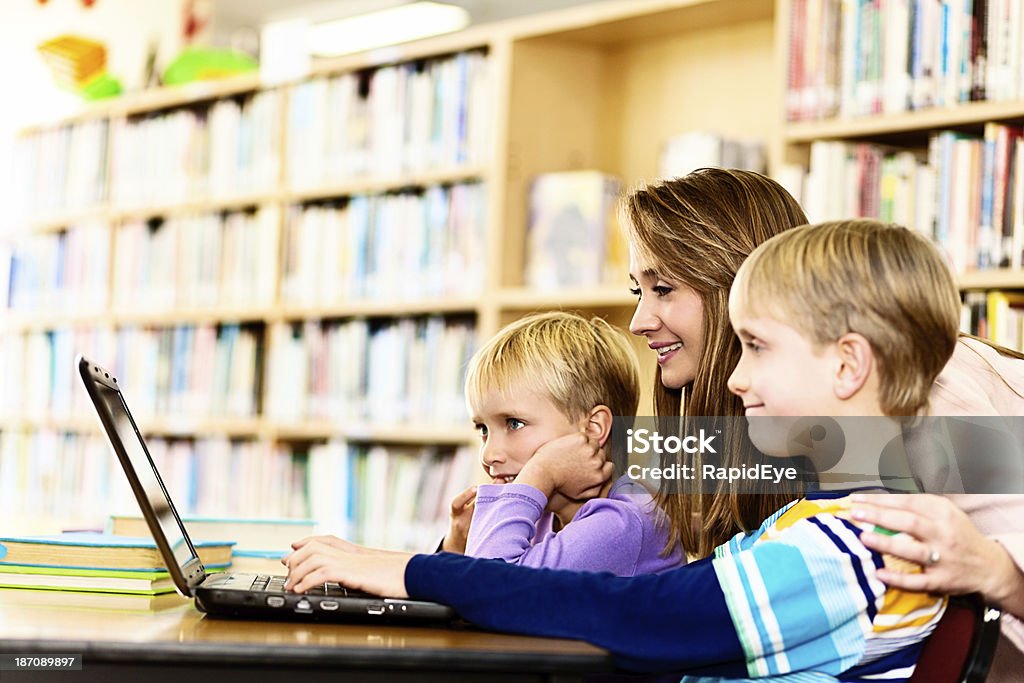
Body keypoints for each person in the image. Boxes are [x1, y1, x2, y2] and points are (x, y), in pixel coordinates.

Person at [283, 220, 958, 681]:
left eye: (756, 347)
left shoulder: (849, 546)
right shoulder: (829, 523)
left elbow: (638, 613)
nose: (735, 377)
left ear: (847, 366)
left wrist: (406, 571)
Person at [623, 170, 1024, 680]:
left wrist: (1003, 575)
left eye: (662, 288)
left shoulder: (924, 388)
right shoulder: (782, 405)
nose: (639, 320)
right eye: (638, 290)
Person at [441, 311, 684, 575]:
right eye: (483, 429)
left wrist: (539, 473)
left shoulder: (623, 524)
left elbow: (486, 588)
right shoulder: (545, 514)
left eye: (514, 423)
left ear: (592, 429)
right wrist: (456, 544)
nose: (488, 455)